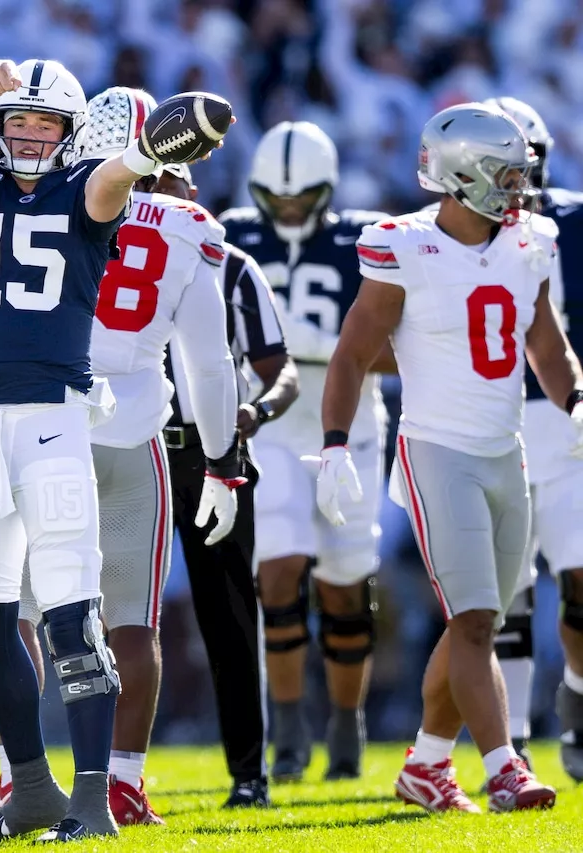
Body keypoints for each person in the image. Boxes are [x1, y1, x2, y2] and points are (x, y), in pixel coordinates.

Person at [0, 61, 230, 841]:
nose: (29, 136)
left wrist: (154, 149)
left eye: (45, 124)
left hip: (56, 419)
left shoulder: (86, 193)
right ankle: (29, 786)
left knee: (71, 616)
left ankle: (93, 796)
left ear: (68, 134)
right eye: (17, 123)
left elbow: (114, 178)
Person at [320, 102, 566, 812]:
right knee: (477, 618)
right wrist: (335, 445)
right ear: (465, 175)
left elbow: (547, 348)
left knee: (475, 619)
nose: (521, 188)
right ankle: (504, 767)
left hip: (505, 451)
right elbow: (353, 353)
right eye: (508, 174)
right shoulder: (404, 245)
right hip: (436, 449)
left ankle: (426, 763)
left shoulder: (532, 242)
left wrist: (577, 403)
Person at [220, 121, 391, 782]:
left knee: (346, 584)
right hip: (270, 427)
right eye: (277, 198)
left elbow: (409, 341)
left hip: (346, 423)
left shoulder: (366, 237)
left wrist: (336, 345)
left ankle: (345, 724)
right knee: (278, 572)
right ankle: (286, 730)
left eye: (302, 198)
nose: (289, 210)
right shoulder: (235, 232)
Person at [160, 165, 299, 807]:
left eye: (173, 183)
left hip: (212, 455)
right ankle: (106, 774)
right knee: (106, 610)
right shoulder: (101, 249)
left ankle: (248, 774)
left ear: (193, 192)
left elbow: (280, 370)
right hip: (136, 452)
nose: (162, 195)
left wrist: (256, 411)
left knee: (230, 617)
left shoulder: (232, 265)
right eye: (149, 183)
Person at [481, 97, 583, 780]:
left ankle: (576, 699)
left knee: (579, 579)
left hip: (566, 414)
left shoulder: (571, 219)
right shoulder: (451, 228)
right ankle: (511, 740)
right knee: (503, 595)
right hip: (489, 415)